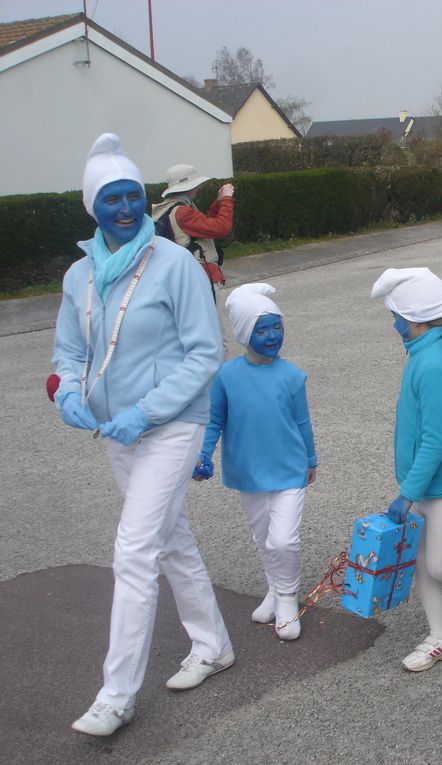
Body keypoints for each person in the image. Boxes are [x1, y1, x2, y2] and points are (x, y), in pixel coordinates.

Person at [53, 134, 232, 737]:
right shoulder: (79, 275)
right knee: (169, 538)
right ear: (93, 207)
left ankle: (117, 694)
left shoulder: (175, 263)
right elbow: (71, 350)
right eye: (112, 199)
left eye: (133, 195)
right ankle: (212, 645)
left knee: (134, 550)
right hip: (115, 431)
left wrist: (148, 411)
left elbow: (205, 352)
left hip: (174, 424)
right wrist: (71, 394)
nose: (126, 208)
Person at [192, 282, 317, 641]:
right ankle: (275, 590)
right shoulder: (226, 376)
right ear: (245, 333)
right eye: (262, 330)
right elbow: (215, 421)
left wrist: (311, 457)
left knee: (283, 541)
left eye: (277, 327)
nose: (272, 336)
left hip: (290, 469)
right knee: (263, 538)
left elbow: (302, 421)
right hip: (248, 471)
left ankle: (288, 598)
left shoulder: (292, 376)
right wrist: (203, 455)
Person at [370, 267, 442, 671]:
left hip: (440, 488)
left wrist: (407, 493)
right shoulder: (427, 356)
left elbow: (435, 441)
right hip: (427, 487)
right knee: (421, 566)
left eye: (396, 317)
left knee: (439, 565)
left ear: (415, 318)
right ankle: (441, 637)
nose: (394, 325)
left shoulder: (431, 365)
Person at [151, 164, 234, 298]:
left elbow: (206, 226)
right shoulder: (182, 212)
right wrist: (227, 199)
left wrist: (218, 202)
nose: (198, 188)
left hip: (188, 276)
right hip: (198, 277)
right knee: (208, 318)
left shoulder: (174, 207)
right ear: (190, 187)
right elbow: (221, 228)